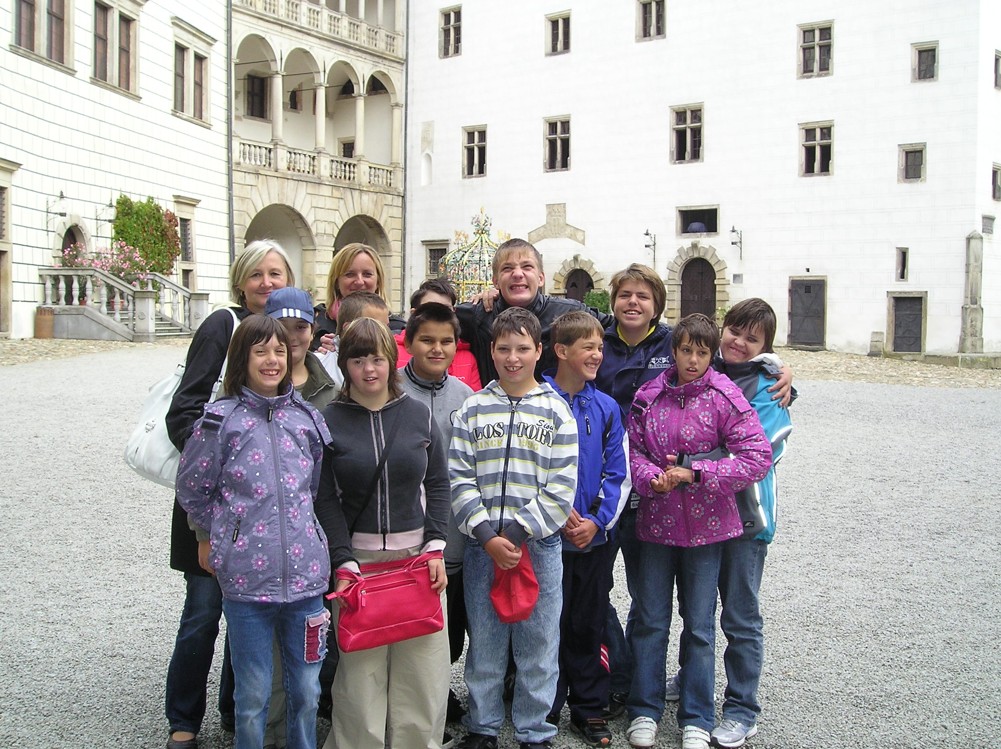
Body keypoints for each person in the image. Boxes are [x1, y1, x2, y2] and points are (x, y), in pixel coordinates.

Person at [175, 314, 334, 749]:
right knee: (253, 694)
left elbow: (314, 488)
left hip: (305, 580)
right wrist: (225, 534)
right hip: (246, 582)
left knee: (307, 690)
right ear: (242, 358)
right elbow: (193, 487)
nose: (271, 360)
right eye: (260, 351)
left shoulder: (305, 419)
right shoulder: (219, 421)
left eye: (279, 351)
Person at [164, 239, 295, 749]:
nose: (267, 283)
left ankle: (233, 710)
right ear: (241, 281)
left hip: (265, 510)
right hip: (215, 502)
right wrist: (223, 464)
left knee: (252, 617)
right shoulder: (223, 324)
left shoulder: (290, 335)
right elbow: (184, 411)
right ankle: (183, 720)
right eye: (257, 274)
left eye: (276, 274)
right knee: (203, 613)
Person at [624, 314, 772, 749]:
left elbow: (757, 457)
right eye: (686, 350)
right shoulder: (649, 396)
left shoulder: (725, 397)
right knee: (650, 621)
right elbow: (633, 449)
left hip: (708, 532)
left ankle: (697, 716)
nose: (692, 360)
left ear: (711, 355)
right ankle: (644, 709)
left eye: (701, 353)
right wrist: (649, 477)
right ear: (674, 350)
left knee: (700, 626)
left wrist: (698, 473)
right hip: (656, 525)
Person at [315, 317, 451, 749]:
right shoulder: (328, 421)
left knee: (423, 678)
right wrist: (342, 560)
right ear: (344, 364)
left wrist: (435, 546)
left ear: (392, 360)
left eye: (376, 359)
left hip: (418, 562)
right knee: (360, 680)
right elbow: (324, 498)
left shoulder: (418, 415)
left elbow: (439, 483)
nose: (368, 369)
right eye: (357, 360)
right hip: (359, 566)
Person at [449, 307, 579, 749]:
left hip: (537, 547)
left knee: (538, 642)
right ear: (492, 350)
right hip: (482, 546)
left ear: (539, 351)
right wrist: (487, 535)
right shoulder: (472, 409)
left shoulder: (557, 412)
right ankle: (483, 726)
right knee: (485, 641)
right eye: (504, 348)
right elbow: (459, 478)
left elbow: (561, 486)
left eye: (523, 348)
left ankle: (534, 730)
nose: (513, 358)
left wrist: (519, 533)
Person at [542, 312, 630, 748]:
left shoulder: (607, 408)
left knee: (588, 622)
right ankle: (543, 705)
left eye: (600, 347)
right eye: (588, 347)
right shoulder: (537, 400)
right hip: (547, 538)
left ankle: (589, 705)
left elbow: (618, 472)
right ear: (561, 351)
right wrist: (556, 516)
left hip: (592, 540)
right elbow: (528, 467)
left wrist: (596, 521)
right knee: (546, 625)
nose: (597, 355)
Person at [708, 299, 793, 749]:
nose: (739, 342)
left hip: (745, 518)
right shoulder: (705, 368)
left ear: (765, 347)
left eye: (751, 338)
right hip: (701, 517)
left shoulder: (770, 386)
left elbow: (759, 450)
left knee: (740, 616)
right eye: (734, 331)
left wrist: (692, 461)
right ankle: (693, 679)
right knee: (698, 610)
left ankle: (742, 708)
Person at [593, 265, 675, 720]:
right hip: (603, 485)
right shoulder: (596, 339)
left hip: (652, 490)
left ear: (656, 304)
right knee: (595, 589)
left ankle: (643, 688)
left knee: (648, 596)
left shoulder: (672, 344)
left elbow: (727, 369)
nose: (633, 303)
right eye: (625, 294)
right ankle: (618, 674)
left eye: (643, 296)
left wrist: (778, 370)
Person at [261, 287, 340, 746]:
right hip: (262, 542)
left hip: (316, 538)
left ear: (313, 330)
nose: (292, 337)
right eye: (282, 327)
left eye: (301, 327)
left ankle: (308, 725)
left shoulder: (331, 388)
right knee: (263, 649)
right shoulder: (244, 388)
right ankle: (268, 731)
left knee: (313, 639)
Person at [399, 301, 476, 746]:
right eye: (427, 340)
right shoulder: (390, 390)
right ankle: (415, 712)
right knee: (412, 629)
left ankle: (438, 693)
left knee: (450, 632)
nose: (437, 348)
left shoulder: (465, 397)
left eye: (446, 341)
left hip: (454, 538)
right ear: (409, 342)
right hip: (405, 537)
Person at [455, 238, 612, 384]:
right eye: (507, 268)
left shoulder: (567, 311)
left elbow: (617, 327)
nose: (517, 274)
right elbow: (440, 316)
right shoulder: (477, 315)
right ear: (496, 281)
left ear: (540, 278)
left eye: (527, 267)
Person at [311, 242, 404, 350]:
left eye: (367, 274)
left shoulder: (399, 329)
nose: (359, 281)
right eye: (350, 274)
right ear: (336, 282)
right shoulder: (313, 324)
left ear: (378, 281)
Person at [396, 278, 482, 391]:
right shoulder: (393, 352)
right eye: (430, 309)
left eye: (445, 310)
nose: (438, 315)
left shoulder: (467, 359)